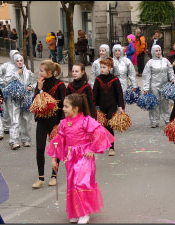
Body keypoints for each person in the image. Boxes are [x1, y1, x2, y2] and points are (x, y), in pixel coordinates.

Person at [46, 93, 116, 224]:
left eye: (66, 106)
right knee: (72, 183)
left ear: (76, 109)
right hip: (70, 156)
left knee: (81, 182)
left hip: (84, 156)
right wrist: (54, 158)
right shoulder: (63, 124)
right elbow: (60, 141)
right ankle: (76, 211)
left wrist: (92, 148)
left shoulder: (86, 121)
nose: (63, 109)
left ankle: (85, 212)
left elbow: (100, 133)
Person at [32, 60, 66, 189]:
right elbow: (34, 102)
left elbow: (64, 105)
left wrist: (61, 123)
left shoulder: (60, 85)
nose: (39, 73)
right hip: (41, 120)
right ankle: (40, 177)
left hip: (55, 122)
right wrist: (39, 89)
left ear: (50, 72)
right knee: (40, 148)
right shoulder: (40, 84)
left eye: (41, 71)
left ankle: (54, 176)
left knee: (55, 149)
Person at [0, 54, 36, 149]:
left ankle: (26, 139)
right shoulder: (10, 73)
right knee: (15, 120)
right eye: (17, 61)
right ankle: (14, 141)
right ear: (14, 62)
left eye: (21, 60)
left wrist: (30, 87)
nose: (19, 62)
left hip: (26, 99)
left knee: (26, 120)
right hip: (14, 99)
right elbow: (5, 82)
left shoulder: (28, 72)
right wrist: (16, 75)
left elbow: (34, 82)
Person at [93, 57, 124, 156]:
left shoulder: (114, 79)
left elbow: (119, 93)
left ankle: (111, 147)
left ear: (110, 68)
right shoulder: (98, 79)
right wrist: (93, 106)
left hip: (112, 106)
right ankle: (102, 144)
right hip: (101, 106)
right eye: (101, 67)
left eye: (104, 67)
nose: (102, 69)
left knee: (109, 125)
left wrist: (120, 106)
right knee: (103, 126)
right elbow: (95, 93)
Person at [142, 45, 175, 128]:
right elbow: (146, 76)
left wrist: (172, 79)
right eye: (156, 51)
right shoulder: (150, 63)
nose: (158, 52)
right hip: (154, 86)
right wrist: (146, 88)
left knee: (165, 103)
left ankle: (167, 119)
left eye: (159, 50)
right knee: (154, 103)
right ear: (153, 52)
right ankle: (154, 121)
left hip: (165, 85)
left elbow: (170, 70)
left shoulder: (165, 61)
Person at [0, 50, 20, 135]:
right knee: (8, 110)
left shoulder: (21, 65)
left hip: (19, 92)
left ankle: (16, 128)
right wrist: (3, 82)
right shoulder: (6, 66)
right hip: (8, 91)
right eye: (14, 55)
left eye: (17, 54)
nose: (16, 57)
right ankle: (6, 126)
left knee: (17, 111)